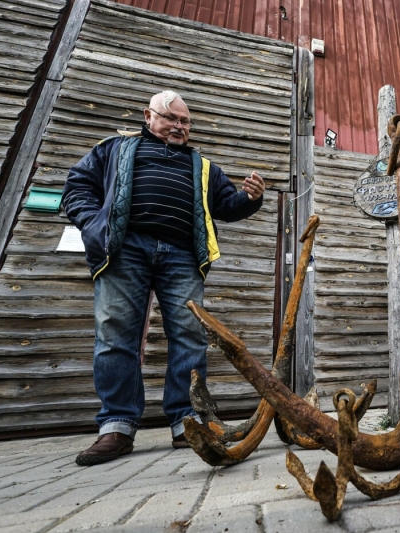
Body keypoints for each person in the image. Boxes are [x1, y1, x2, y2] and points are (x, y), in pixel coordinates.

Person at [62, 90, 266, 466]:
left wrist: (250, 198)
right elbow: (77, 187)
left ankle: (187, 422)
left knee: (189, 335)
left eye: (185, 121)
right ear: (148, 115)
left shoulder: (202, 165)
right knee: (115, 332)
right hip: (125, 249)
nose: (179, 126)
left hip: (183, 255)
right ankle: (117, 427)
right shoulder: (115, 149)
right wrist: (93, 224)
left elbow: (226, 206)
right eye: (171, 118)